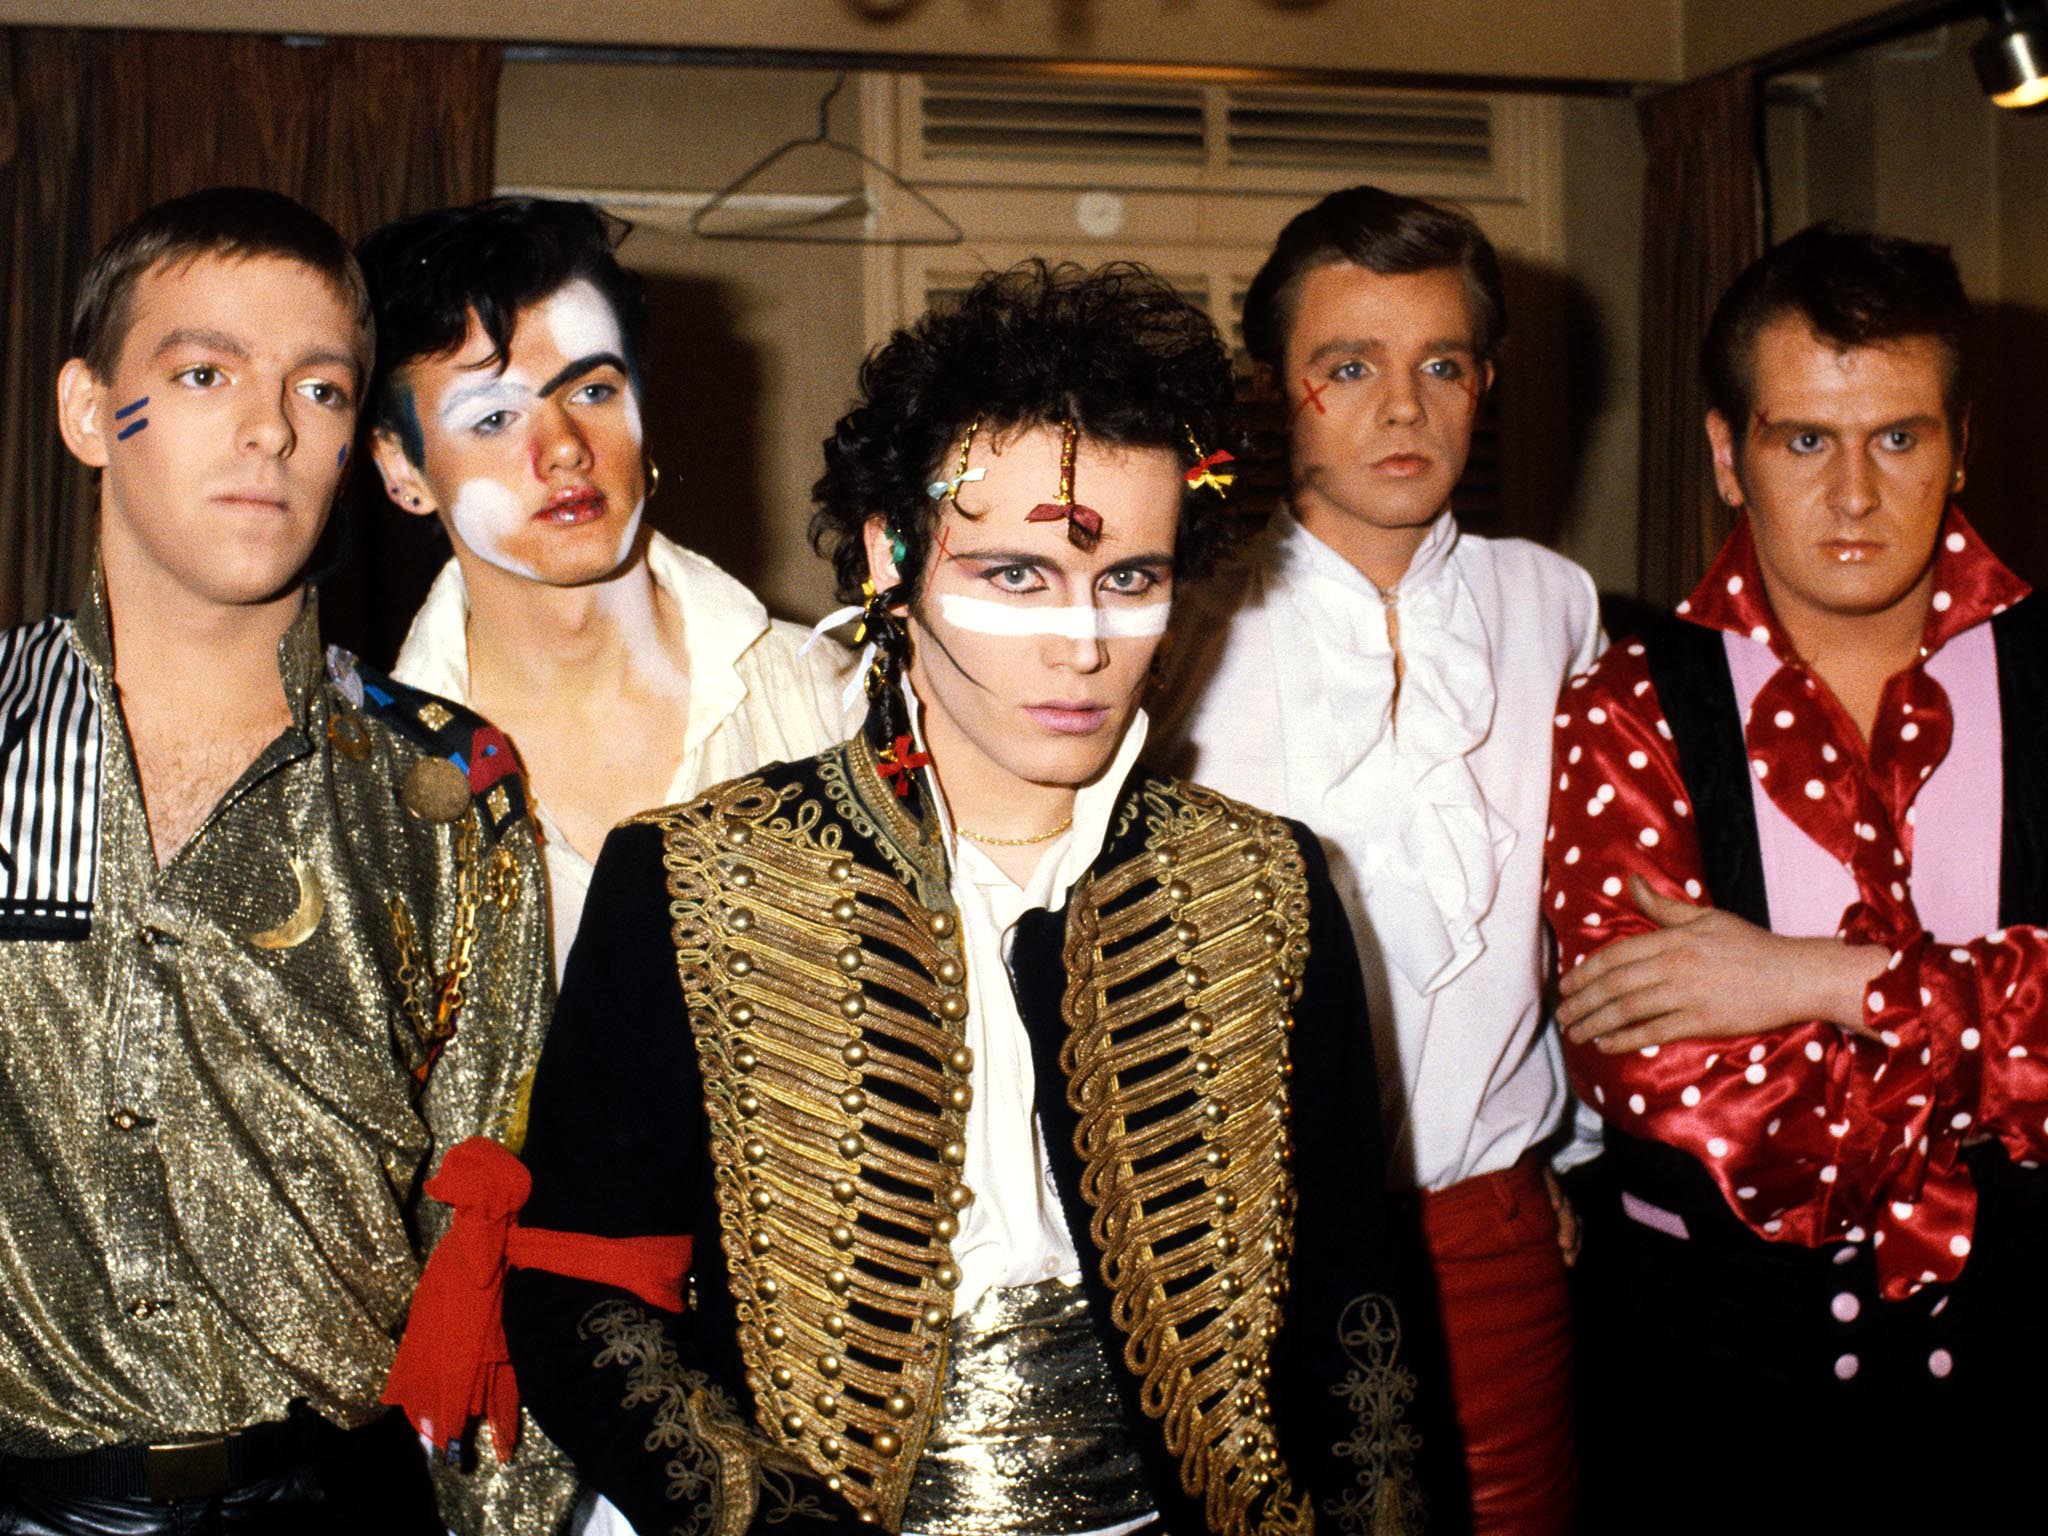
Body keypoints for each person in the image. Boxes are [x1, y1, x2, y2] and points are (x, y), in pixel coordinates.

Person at [486, 260, 1426, 1535]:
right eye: (1017, 577)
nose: (1083, 647)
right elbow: (578, 1290)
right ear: (892, 555)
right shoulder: (699, 877)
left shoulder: (1258, 883)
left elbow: (1351, 1315)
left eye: (1131, 579)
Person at [0, 188, 551, 1533]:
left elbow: (491, 1237)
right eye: (203, 374)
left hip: (333, 1500)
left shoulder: (450, 784)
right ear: (89, 413)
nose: (268, 428)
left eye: (317, 389)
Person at [1545, 223, 2048, 1528]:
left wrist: (1812, 980)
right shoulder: (1630, 703)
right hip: (1718, 1414)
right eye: (1803, 439)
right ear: (1728, 452)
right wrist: (1992, 1026)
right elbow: (1656, 1072)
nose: (1855, 495)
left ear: (1961, 444)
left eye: (1899, 437)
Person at [1155, 185, 1597, 1533]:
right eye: (1350, 367)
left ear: (1483, 387)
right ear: (1275, 392)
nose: (1402, 408)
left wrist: (1564, 1157)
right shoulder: (1180, 616)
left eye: (1440, 365)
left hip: (1494, 1238)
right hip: (1249, 1251)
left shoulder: (1554, 603)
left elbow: (1584, 910)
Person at [359, 197, 854, 982]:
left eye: (592, 391)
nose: (563, 449)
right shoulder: (361, 782)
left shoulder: (832, 701)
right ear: (401, 468)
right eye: (492, 418)